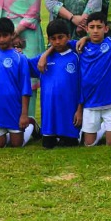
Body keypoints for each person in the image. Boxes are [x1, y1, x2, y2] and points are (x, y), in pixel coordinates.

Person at [73, 12, 111, 146]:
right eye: (92, 27)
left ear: (106, 29)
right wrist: (85, 39)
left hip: (110, 102)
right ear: (87, 29)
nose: (95, 30)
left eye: (99, 27)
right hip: (90, 103)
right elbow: (59, 45)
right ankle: (103, 129)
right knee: (89, 144)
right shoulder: (80, 46)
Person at [0, 17, 37, 147]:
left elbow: (26, 89)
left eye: (5, 35)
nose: (2, 39)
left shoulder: (20, 58)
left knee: (16, 145)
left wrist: (24, 114)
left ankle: (30, 125)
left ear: (12, 35)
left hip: (15, 110)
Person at [35, 19, 84, 148]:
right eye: (53, 38)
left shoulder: (76, 56)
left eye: (60, 37)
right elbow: (22, 65)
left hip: (70, 117)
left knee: (70, 145)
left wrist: (80, 110)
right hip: (49, 119)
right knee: (47, 146)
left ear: (68, 36)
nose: (57, 42)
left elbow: (82, 86)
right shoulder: (42, 60)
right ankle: (33, 127)